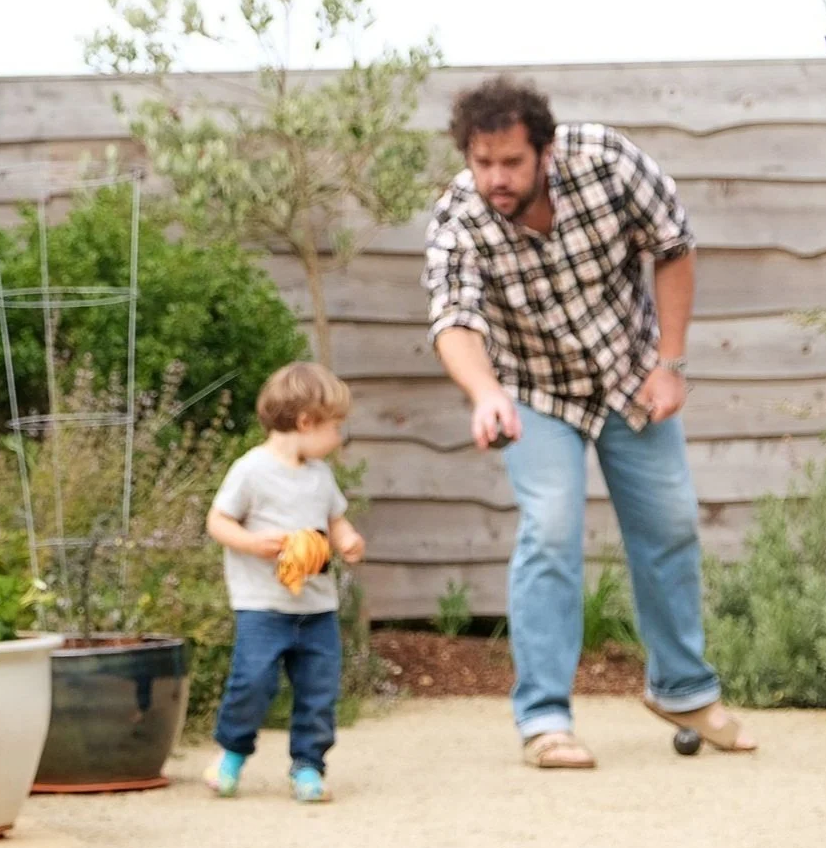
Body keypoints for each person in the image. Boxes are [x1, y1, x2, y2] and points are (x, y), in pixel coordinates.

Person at [421, 76, 758, 768]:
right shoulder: (458, 216)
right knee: (549, 533)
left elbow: (672, 247)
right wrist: (484, 393)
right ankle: (544, 719)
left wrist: (670, 362)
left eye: (511, 162)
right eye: (482, 162)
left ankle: (683, 689)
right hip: (533, 392)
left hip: (627, 374)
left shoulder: (605, 162)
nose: (496, 178)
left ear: (543, 150)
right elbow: (453, 319)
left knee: (669, 525)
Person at [203, 362, 367, 802]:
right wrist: (253, 543)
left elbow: (334, 519)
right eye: (335, 427)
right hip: (262, 605)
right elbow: (218, 521)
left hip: (317, 608)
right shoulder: (252, 469)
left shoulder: (320, 476)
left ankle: (308, 766)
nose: (338, 438)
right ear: (305, 422)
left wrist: (347, 539)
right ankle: (232, 753)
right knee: (252, 681)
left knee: (319, 690)